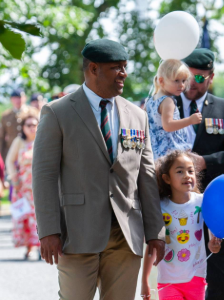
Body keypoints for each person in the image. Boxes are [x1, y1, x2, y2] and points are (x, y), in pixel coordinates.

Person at [32, 39, 165, 300]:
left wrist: (155, 231)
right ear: (94, 69)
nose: (124, 74)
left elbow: (146, 176)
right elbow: (44, 175)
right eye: (117, 68)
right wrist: (48, 230)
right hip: (77, 233)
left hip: (126, 233)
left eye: (125, 67)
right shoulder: (57, 113)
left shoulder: (138, 116)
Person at [175, 48, 224, 300]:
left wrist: (204, 162)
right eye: (187, 76)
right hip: (175, 209)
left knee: (222, 279)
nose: (191, 83)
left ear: (211, 78)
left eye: (199, 78)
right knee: (176, 280)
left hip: (216, 208)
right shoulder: (166, 103)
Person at [140, 150, 222, 300]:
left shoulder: (202, 201)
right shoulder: (160, 207)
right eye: (180, 171)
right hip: (168, 280)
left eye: (191, 171)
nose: (187, 175)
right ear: (167, 178)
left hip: (196, 277)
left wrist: (213, 243)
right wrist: (144, 279)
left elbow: (213, 227)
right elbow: (153, 245)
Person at [146, 59, 199, 159]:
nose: (182, 85)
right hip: (169, 152)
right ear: (161, 81)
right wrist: (190, 120)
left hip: (156, 151)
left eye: (183, 81)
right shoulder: (168, 101)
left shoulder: (151, 100)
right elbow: (168, 126)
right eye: (176, 81)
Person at [5, 111, 40, 260]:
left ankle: (41, 247)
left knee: (40, 218)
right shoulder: (19, 142)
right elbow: (9, 161)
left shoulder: (43, 139)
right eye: (28, 125)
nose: (32, 127)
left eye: (34, 124)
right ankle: (29, 247)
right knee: (25, 217)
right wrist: (14, 179)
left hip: (40, 188)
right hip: (23, 187)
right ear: (23, 127)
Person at [0, 88, 37, 160]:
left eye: (20, 97)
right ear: (11, 99)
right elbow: (0, 137)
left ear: (25, 98)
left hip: (31, 152)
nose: (18, 100)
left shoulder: (33, 112)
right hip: (11, 153)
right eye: (15, 98)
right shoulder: (6, 116)